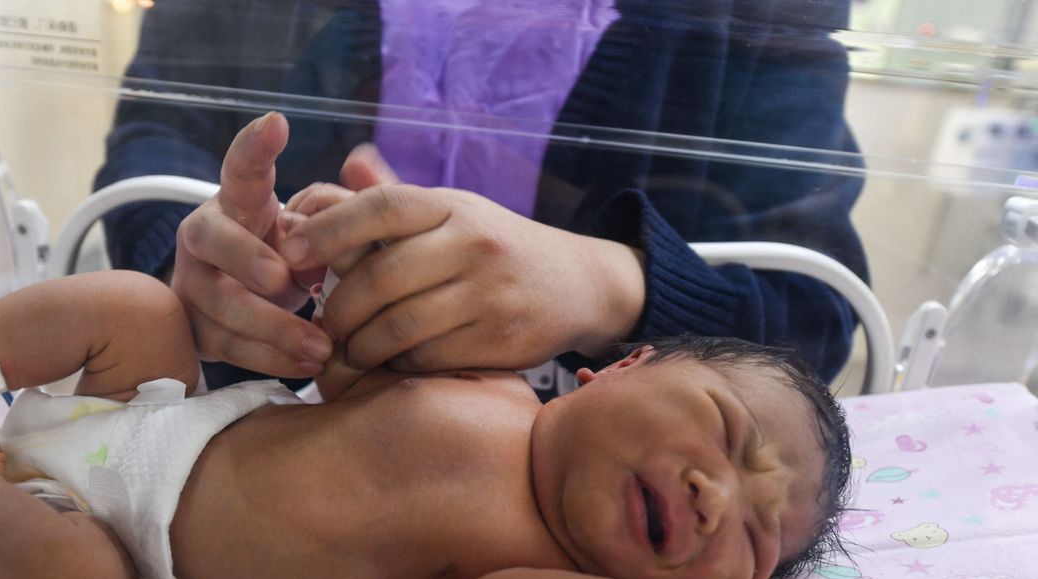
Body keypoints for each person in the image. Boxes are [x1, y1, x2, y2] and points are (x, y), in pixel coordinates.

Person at [0, 245, 851, 579]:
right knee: (136, 309)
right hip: (163, 419)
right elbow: (342, 362)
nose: (717, 496)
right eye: (721, 433)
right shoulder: (489, 378)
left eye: (756, 537)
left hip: (131, 573)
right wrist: (315, 272)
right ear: (615, 367)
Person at [95, 0, 868, 397]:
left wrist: (608, 284)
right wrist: (193, 262)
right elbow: (160, 130)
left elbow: (811, 313)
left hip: (564, 492)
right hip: (268, 425)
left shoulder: (750, 18)